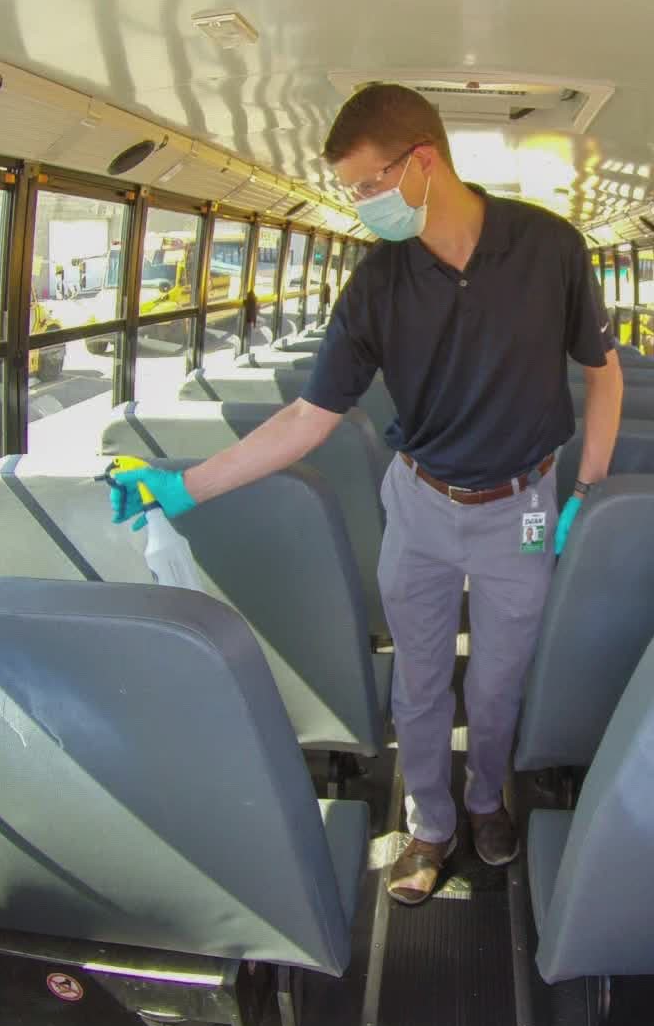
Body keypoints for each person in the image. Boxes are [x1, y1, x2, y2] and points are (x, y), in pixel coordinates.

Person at [107, 83, 622, 905]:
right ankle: (429, 821)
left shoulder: (549, 247)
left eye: (366, 184)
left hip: (525, 505)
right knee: (419, 683)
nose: (360, 204)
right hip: (418, 503)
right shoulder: (378, 283)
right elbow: (310, 417)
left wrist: (584, 492)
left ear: (423, 161)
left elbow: (604, 376)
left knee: (496, 682)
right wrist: (182, 488)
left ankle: (486, 798)